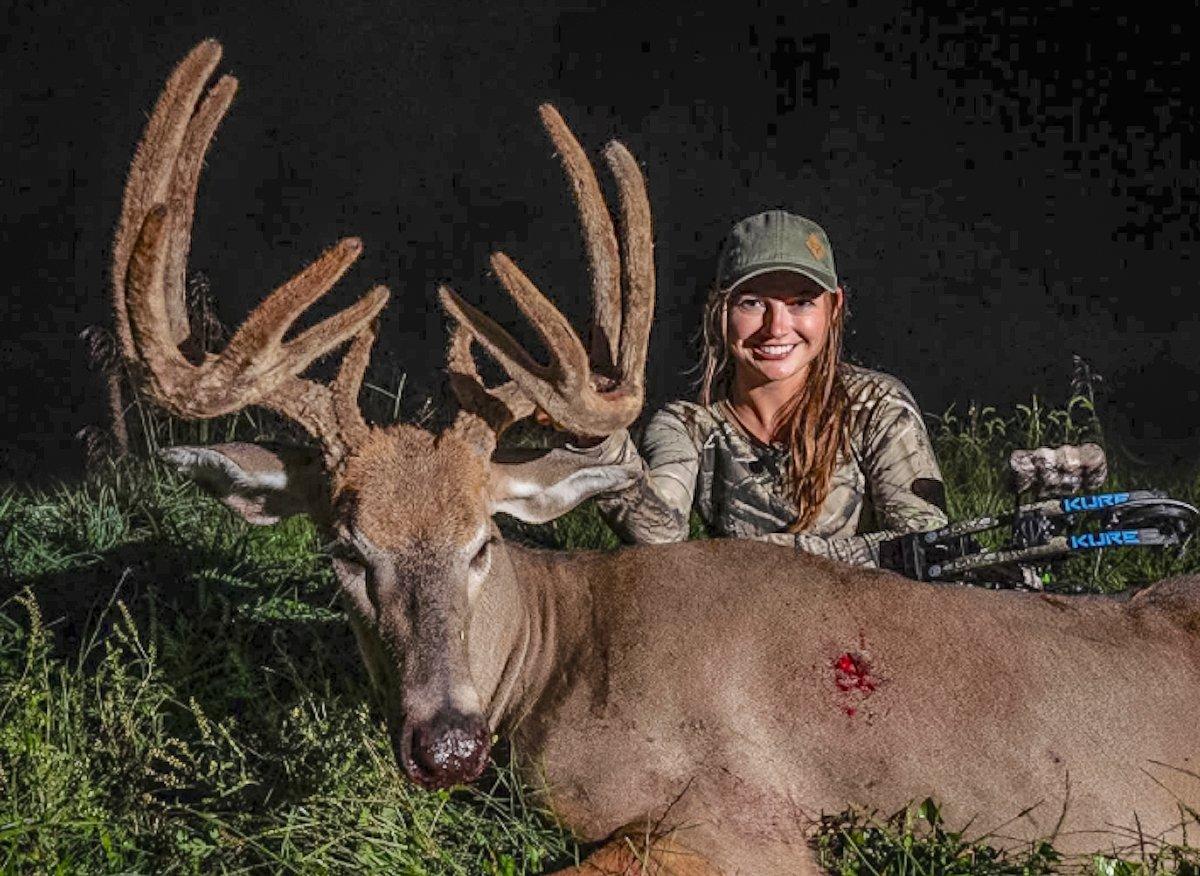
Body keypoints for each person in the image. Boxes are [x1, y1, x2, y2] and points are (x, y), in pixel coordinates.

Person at [567, 209, 949, 568]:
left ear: (833, 308)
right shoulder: (687, 427)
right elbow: (659, 534)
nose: (777, 327)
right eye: (752, 303)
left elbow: (923, 542)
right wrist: (600, 444)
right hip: (745, 631)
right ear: (720, 310)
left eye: (801, 303)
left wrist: (755, 558)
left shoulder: (875, 407)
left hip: (864, 623)